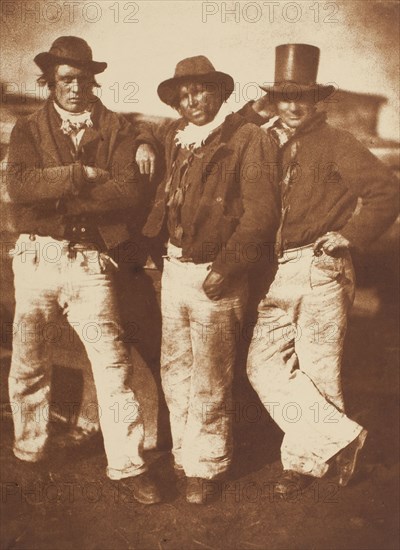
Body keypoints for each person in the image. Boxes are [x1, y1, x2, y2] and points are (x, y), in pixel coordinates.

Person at [6, 36, 161, 504]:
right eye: (65, 80)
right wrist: (79, 175)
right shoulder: (28, 128)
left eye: (83, 79)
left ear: (94, 81)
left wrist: (60, 191)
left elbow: (128, 191)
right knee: (30, 361)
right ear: (51, 82)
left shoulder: (115, 127)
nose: (75, 88)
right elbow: (19, 186)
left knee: (112, 365)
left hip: (90, 258)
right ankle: (29, 451)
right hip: (37, 256)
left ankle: (129, 464)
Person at [242, 43, 399, 495]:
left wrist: (350, 235)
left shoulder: (337, 143)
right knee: (263, 366)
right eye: (283, 95)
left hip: (321, 268)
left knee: (318, 369)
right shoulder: (268, 140)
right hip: (279, 271)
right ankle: (342, 439)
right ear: (272, 100)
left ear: (316, 101)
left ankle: (303, 464)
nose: (292, 104)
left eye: (302, 96)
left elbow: (386, 191)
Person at [135, 55, 279, 503]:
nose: (193, 100)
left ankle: (208, 468)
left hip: (217, 274)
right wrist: (142, 142)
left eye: (202, 90)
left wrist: (227, 267)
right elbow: (139, 129)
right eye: (184, 93)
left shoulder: (249, 138)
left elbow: (261, 213)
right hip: (175, 269)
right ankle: (184, 455)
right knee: (176, 370)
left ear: (219, 93)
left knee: (212, 376)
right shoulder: (174, 136)